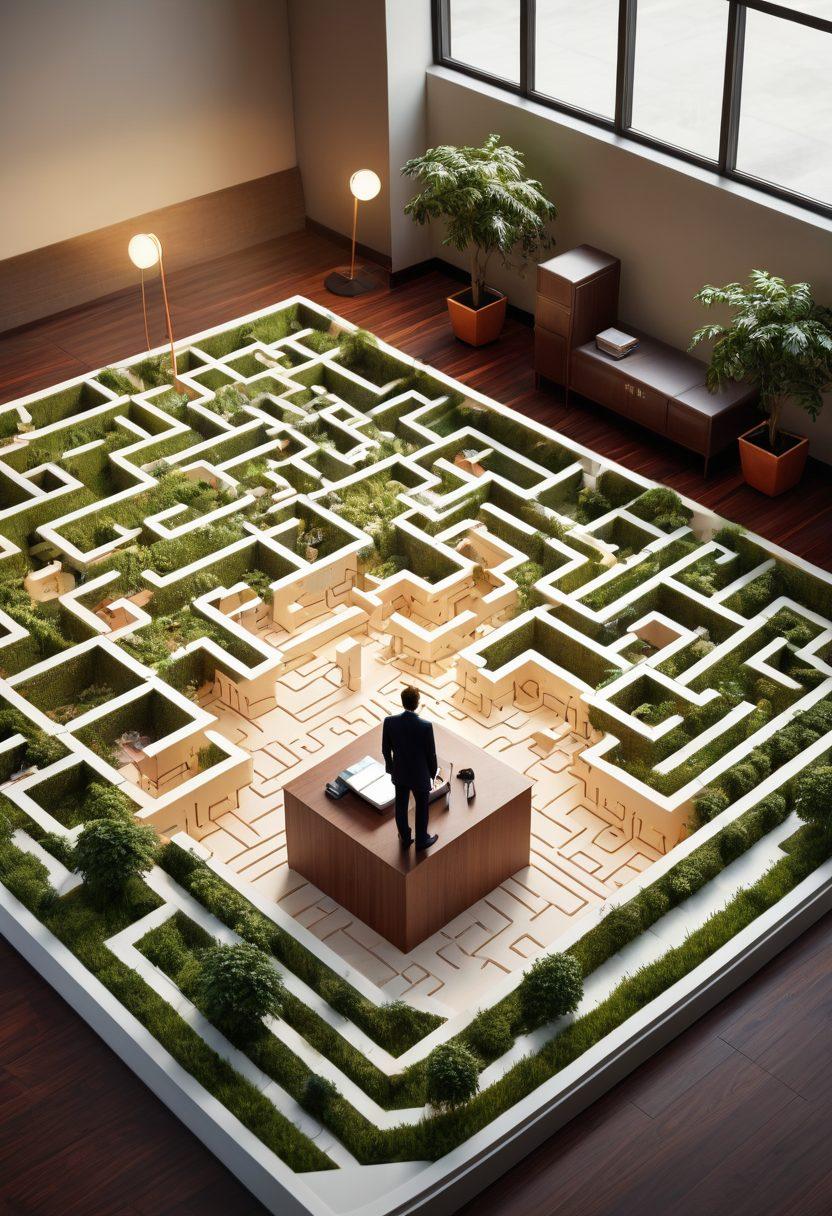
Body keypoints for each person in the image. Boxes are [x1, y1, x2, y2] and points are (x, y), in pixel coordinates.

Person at [381, 686, 438, 850]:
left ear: (402, 701)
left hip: (400, 772)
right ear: (417, 703)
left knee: (401, 806)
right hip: (419, 775)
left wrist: (391, 769)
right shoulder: (426, 726)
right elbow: (431, 754)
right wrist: (432, 773)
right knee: (422, 807)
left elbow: (386, 749)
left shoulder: (389, 722)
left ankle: (405, 837)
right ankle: (422, 840)